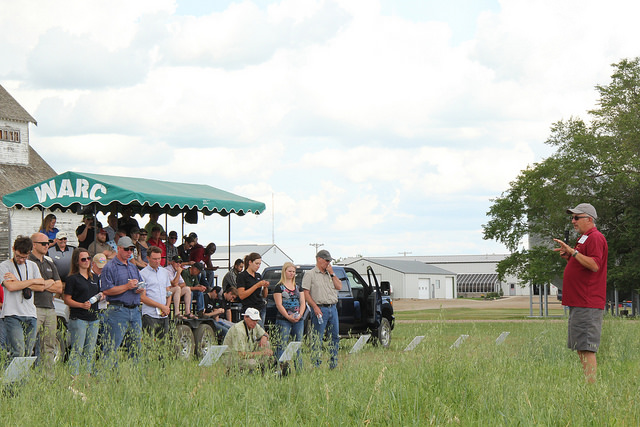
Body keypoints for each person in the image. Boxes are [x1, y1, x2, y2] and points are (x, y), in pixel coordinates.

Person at [553, 203, 608, 383]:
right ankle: (587, 383)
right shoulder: (584, 238)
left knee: (587, 347)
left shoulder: (595, 238)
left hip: (588, 301)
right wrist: (569, 255)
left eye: (577, 217)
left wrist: (573, 253)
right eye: (572, 217)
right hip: (579, 301)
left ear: (589, 219)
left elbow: (594, 265)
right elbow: (583, 261)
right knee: (580, 346)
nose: (573, 221)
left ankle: (591, 388)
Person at [100, 236, 144, 362]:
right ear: (118, 249)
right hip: (118, 310)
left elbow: (140, 283)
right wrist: (127, 286)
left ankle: (134, 376)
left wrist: (140, 288)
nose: (129, 252)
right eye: (126, 249)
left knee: (136, 346)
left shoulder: (132, 267)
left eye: (131, 249)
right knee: (111, 345)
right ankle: (105, 375)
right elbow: (106, 290)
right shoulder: (110, 267)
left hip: (134, 310)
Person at [0, 236, 45, 358]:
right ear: (14, 249)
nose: (21, 260)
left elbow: (41, 285)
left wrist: (18, 281)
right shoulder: (5, 266)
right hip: (12, 313)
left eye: (24, 257)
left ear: (29, 253)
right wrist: (31, 282)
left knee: (28, 352)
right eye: (18, 256)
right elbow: (11, 287)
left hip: (30, 313)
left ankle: (24, 377)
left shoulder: (32, 265)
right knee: (18, 351)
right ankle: (12, 376)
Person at [63, 248, 103, 376]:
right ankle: (74, 377)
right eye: (83, 259)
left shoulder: (95, 277)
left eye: (88, 258)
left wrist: (101, 296)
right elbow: (67, 299)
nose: (86, 261)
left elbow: (100, 293)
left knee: (90, 350)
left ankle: (87, 376)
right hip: (79, 318)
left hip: (94, 317)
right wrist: (81, 305)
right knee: (77, 349)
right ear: (77, 261)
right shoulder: (72, 279)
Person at [29, 232, 64, 370]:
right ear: (34, 245)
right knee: (29, 343)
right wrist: (48, 283)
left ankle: (48, 377)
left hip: (50, 307)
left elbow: (59, 287)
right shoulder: (28, 262)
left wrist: (44, 284)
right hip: (33, 307)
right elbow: (31, 285)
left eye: (48, 243)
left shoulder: (50, 262)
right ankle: (25, 377)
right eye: (43, 243)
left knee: (49, 345)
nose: (46, 245)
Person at [302, 249, 342, 369]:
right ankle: (316, 364)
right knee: (317, 337)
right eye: (326, 260)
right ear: (319, 259)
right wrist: (314, 307)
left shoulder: (330, 274)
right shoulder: (310, 274)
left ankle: (333, 363)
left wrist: (332, 273)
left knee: (334, 336)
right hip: (320, 308)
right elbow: (306, 293)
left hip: (332, 308)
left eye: (329, 261)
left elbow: (339, 286)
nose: (328, 263)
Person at [274, 262, 306, 368]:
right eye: (289, 271)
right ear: (284, 272)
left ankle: (299, 368)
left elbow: (302, 302)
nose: (292, 273)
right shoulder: (279, 287)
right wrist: (288, 317)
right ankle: (280, 368)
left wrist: (300, 315)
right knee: (282, 344)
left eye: (293, 272)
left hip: (298, 319)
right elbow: (279, 304)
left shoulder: (298, 287)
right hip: (284, 319)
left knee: (297, 344)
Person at [222, 307, 273, 372]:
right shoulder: (239, 330)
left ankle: (263, 366)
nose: (255, 322)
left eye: (256, 320)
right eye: (253, 320)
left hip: (247, 352)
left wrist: (264, 337)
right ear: (245, 317)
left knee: (267, 343)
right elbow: (240, 354)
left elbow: (265, 333)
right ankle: (259, 367)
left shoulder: (254, 325)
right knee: (252, 363)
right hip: (233, 358)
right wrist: (261, 353)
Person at [140, 246, 171, 339]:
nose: (157, 261)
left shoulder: (165, 272)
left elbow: (168, 292)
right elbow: (142, 297)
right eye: (154, 259)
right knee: (149, 344)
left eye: (159, 258)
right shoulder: (142, 274)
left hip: (163, 314)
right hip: (150, 314)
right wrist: (161, 306)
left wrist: (167, 307)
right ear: (148, 258)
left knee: (163, 344)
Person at [236, 253, 269, 326]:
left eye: (259, 264)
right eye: (256, 263)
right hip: (249, 308)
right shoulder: (242, 276)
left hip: (260, 306)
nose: (258, 266)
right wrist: (256, 286)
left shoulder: (258, 276)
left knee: (260, 329)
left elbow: (264, 295)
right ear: (250, 262)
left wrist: (265, 287)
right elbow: (241, 295)